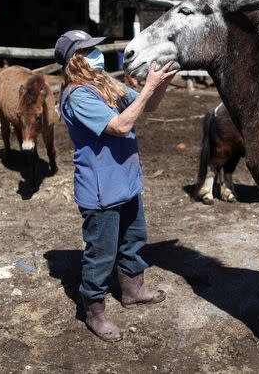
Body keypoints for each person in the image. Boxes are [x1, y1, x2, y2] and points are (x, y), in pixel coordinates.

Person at [54, 30, 178, 342]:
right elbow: (120, 126)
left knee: (135, 238)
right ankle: (94, 311)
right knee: (101, 253)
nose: (98, 53)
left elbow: (146, 106)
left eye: (96, 47)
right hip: (101, 189)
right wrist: (149, 88)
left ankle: (133, 290)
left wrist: (160, 85)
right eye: (89, 50)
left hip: (125, 180)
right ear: (74, 60)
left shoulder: (105, 83)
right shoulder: (78, 95)